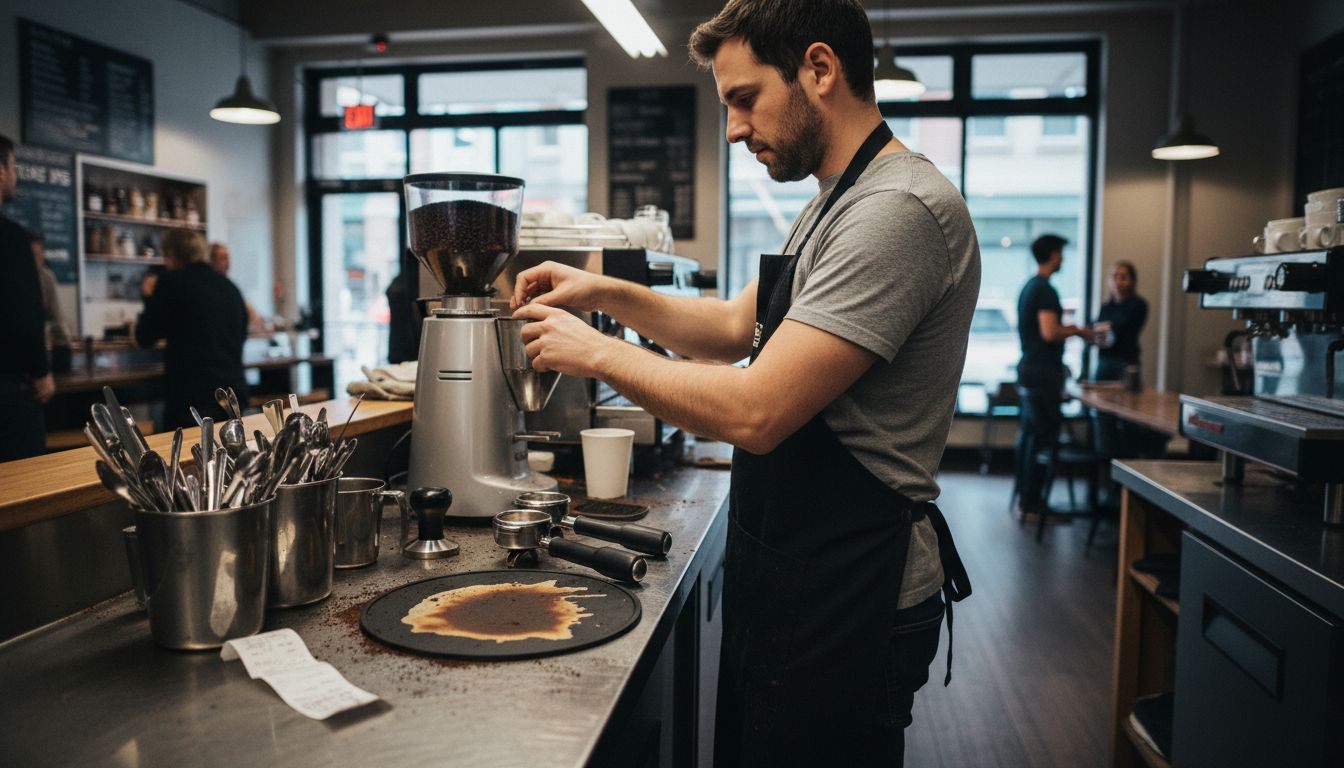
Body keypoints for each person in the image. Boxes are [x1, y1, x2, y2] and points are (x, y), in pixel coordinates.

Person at [509, 2, 975, 763]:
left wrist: (596, 354)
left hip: (854, 585)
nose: (731, 129)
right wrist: (600, 291)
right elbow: (731, 328)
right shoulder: (836, 201)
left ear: (819, 69)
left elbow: (759, 411)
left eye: (743, 98)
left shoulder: (898, 210)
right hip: (799, 563)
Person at [1013, 234, 1093, 517]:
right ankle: (1035, 505)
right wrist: (1079, 331)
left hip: (1029, 370)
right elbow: (1049, 332)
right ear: (1052, 254)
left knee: (1030, 437)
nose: (1063, 258)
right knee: (1044, 438)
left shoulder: (1028, 287)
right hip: (1042, 372)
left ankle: (1027, 500)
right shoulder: (1045, 289)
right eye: (1060, 253)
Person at [135, 229, 248, 429]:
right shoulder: (230, 287)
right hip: (233, 394)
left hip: (192, 399)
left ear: (170, 254)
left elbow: (144, 336)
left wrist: (148, 297)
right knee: (230, 456)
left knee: (188, 458)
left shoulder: (170, 282)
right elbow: (242, 334)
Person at [0, 134, 55, 461]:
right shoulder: (10, 238)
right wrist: (41, 371)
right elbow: (23, 315)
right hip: (8, 389)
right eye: (13, 167)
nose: (16, 176)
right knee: (23, 487)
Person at [1092, 260, 1147, 382]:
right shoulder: (1106, 307)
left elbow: (1118, 328)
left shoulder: (1138, 305)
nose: (1118, 281)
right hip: (1105, 361)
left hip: (1126, 362)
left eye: (1123, 277)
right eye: (1114, 276)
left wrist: (1101, 329)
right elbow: (1093, 330)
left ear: (1132, 281)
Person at [30, 233, 73, 372]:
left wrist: (62, 343)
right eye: (29, 255)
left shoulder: (46, 277)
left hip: (37, 347)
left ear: (43, 256)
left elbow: (57, 319)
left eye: (37, 255)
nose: (33, 260)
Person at [209, 241, 265, 332]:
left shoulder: (230, 288)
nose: (228, 263)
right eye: (223, 258)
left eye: (228, 258)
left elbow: (253, 318)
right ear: (212, 261)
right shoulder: (209, 288)